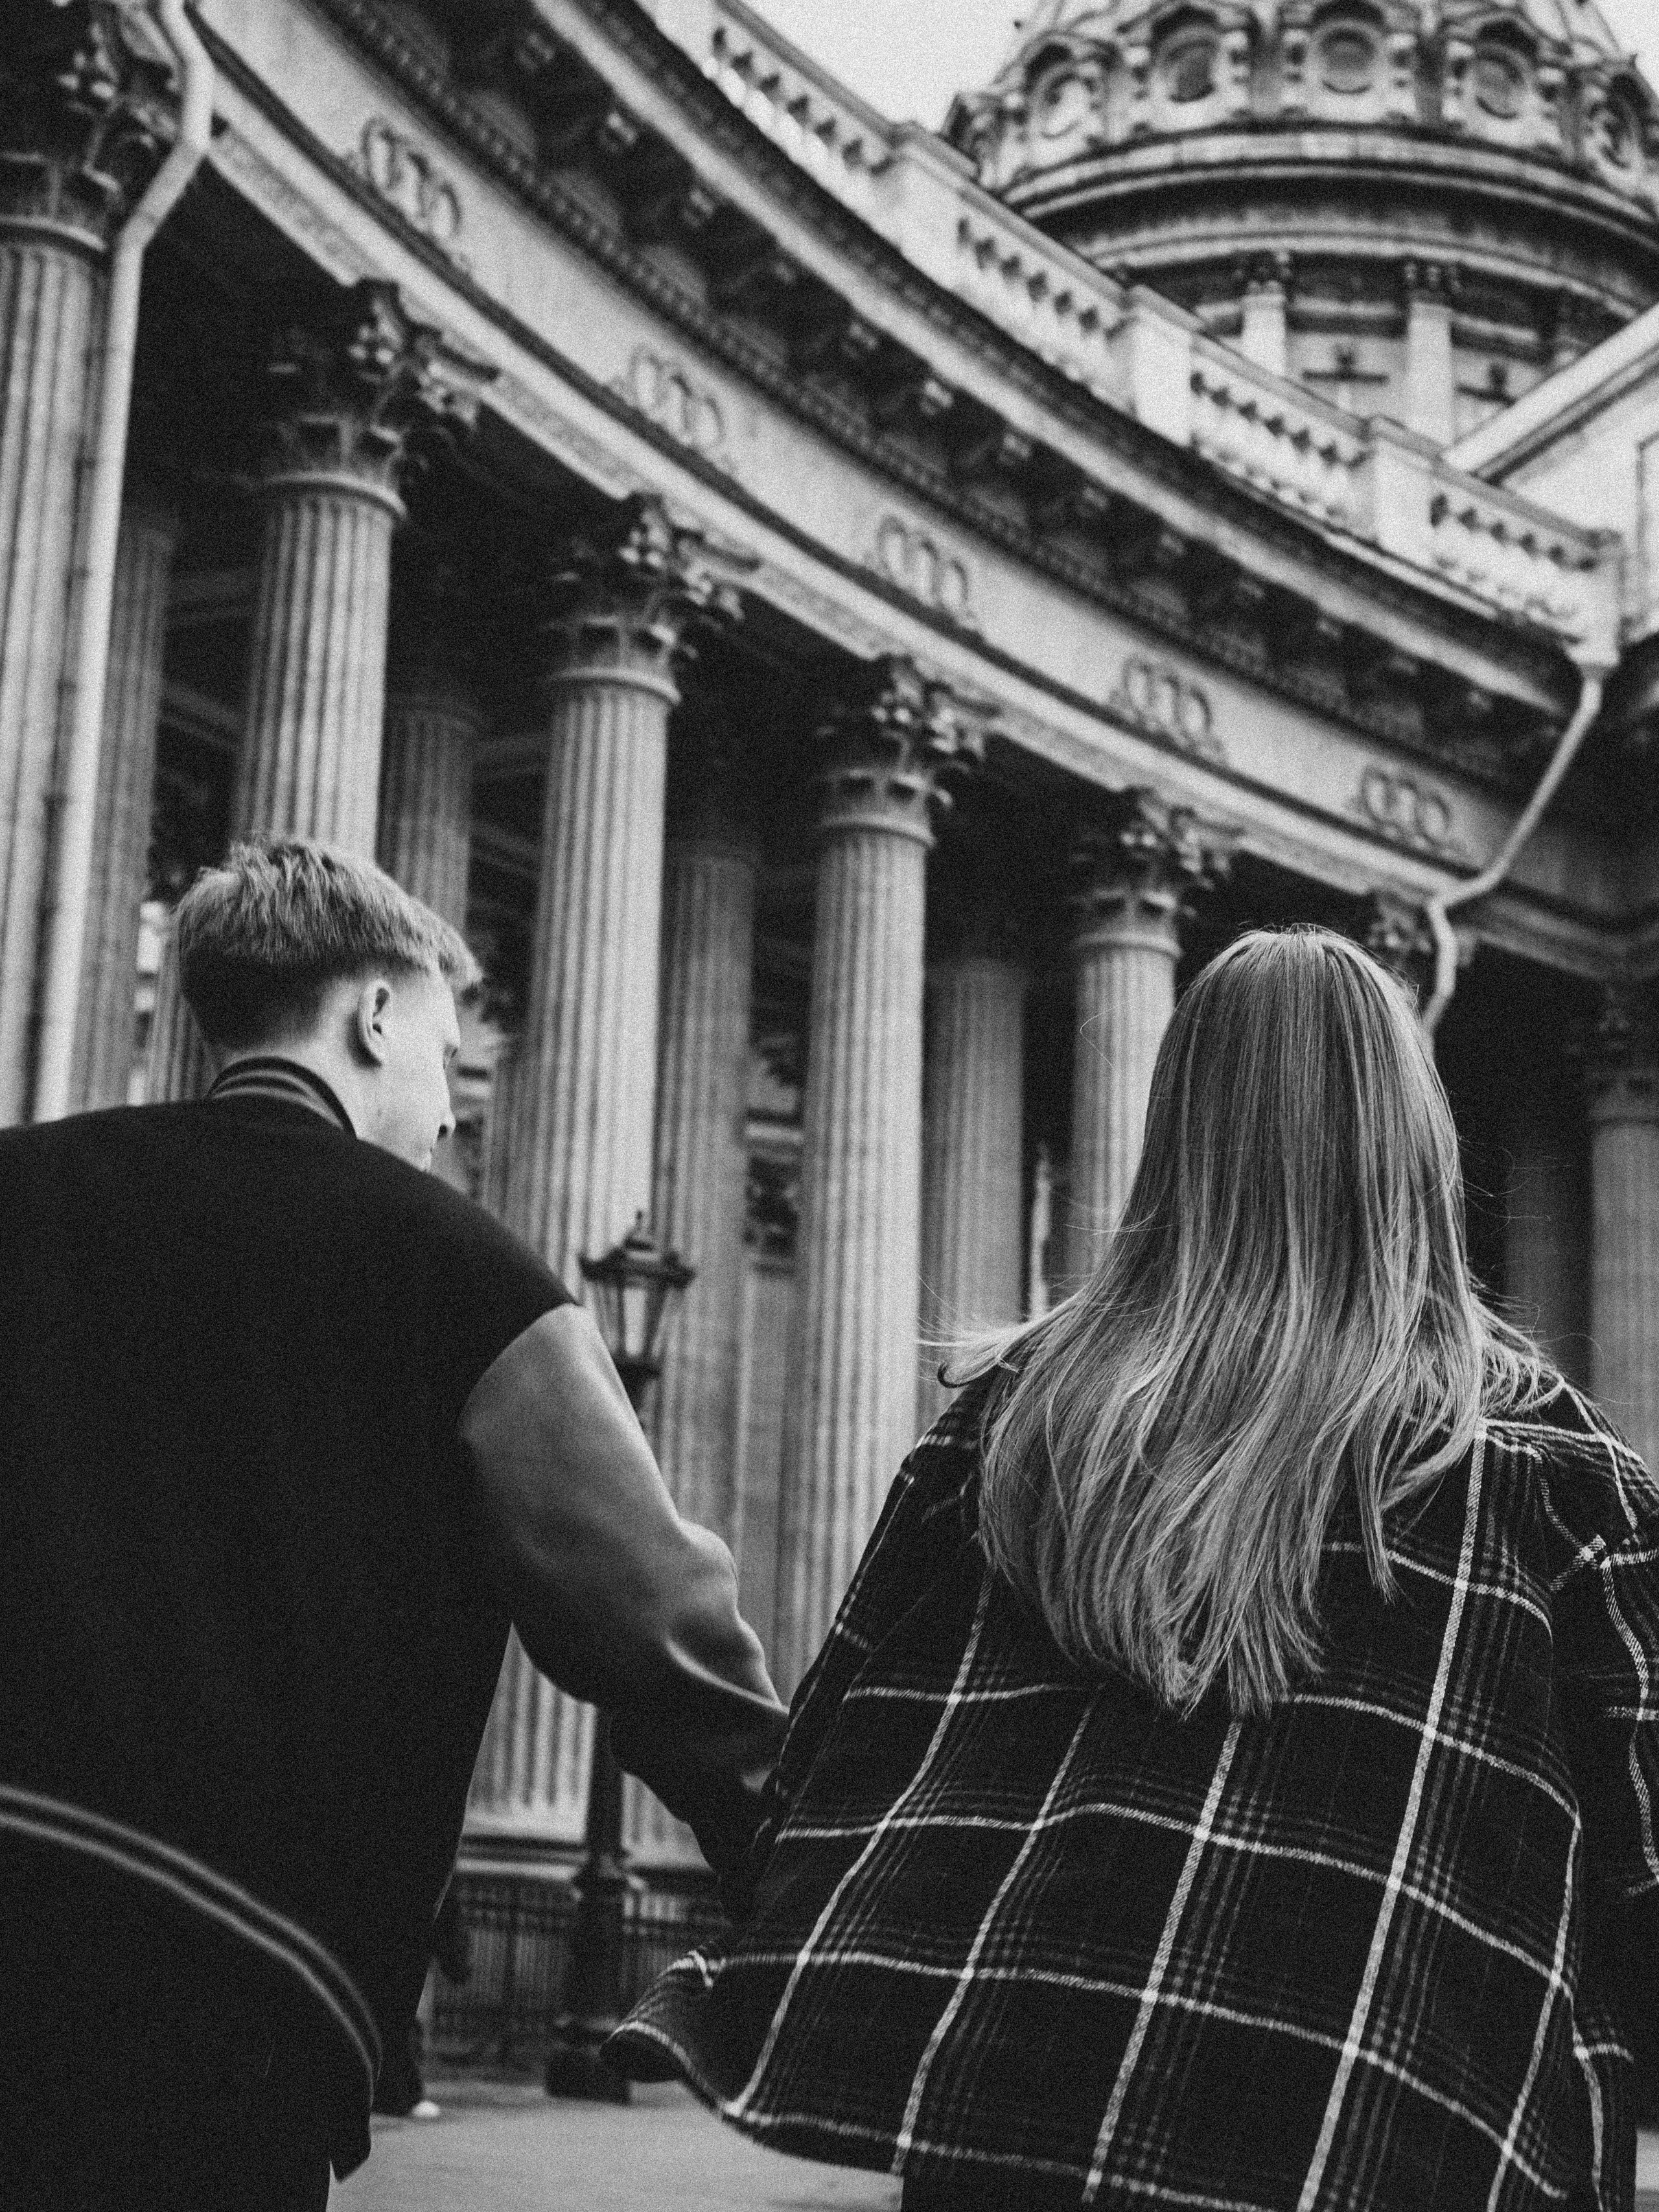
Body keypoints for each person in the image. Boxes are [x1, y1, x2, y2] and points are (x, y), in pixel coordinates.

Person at [616, 927, 1659, 2212]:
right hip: (1377, 2129)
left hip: (1012, 2127)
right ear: (1416, 1150)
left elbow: (819, 1779)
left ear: (1172, 1142)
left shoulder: (1008, 1433)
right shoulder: (1551, 1486)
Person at [0, 837, 785, 2211]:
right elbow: (660, 1634)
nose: (451, 1108)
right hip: (227, 1975)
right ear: (374, 1014)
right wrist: (810, 1866)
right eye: (448, 1043)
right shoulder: (463, 1274)